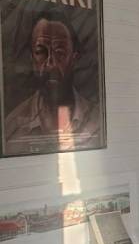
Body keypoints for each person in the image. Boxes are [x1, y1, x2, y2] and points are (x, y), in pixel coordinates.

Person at [3, 9, 102, 155]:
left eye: (60, 52)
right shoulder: (11, 128)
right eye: (41, 52)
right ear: (32, 59)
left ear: (74, 59)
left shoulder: (98, 121)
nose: (50, 64)